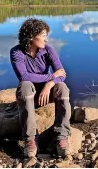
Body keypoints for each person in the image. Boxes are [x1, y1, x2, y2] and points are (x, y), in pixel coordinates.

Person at [10, 18, 71, 158]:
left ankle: (61, 137)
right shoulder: (16, 52)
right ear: (31, 36)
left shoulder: (48, 50)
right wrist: (50, 77)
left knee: (62, 87)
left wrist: (49, 85)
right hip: (29, 94)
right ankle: (30, 139)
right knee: (25, 86)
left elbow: (61, 74)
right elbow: (24, 76)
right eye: (43, 35)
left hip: (46, 94)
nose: (46, 39)